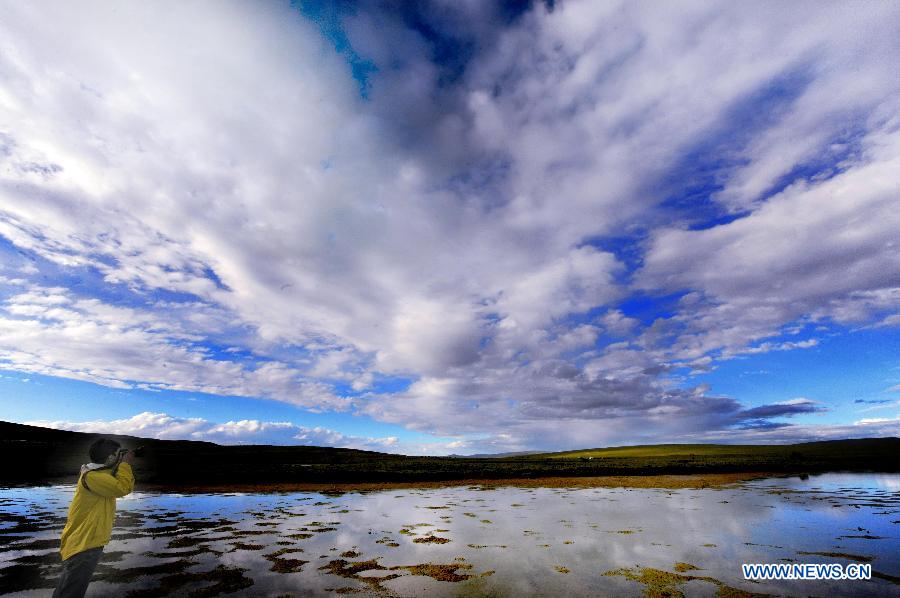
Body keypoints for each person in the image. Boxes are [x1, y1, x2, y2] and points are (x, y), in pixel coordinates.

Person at [53, 438, 135, 598]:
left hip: (84, 541)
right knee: (71, 592)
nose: (120, 457)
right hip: (85, 543)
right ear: (110, 457)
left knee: (67, 588)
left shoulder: (95, 474)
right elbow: (123, 487)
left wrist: (120, 463)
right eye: (118, 455)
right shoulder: (93, 477)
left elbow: (112, 479)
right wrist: (125, 464)